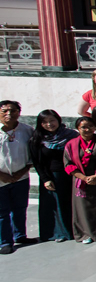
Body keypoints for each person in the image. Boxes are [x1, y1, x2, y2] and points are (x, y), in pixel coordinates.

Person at [63, 116, 96, 243]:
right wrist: (84, 178)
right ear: (77, 128)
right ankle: (85, 234)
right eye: (83, 127)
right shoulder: (71, 145)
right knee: (83, 210)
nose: (87, 129)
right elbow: (68, 164)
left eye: (90, 126)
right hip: (81, 181)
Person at [28, 110, 77, 243]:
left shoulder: (71, 135)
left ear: (58, 120)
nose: (49, 124)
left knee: (71, 203)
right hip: (52, 176)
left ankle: (75, 230)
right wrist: (45, 179)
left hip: (71, 174)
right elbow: (37, 162)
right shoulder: (37, 139)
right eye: (45, 122)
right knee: (54, 206)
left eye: (52, 120)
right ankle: (58, 233)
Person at [0, 101, 34, 253]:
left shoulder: (26, 130)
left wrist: (23, 171)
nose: (9, 114)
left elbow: (33, 153)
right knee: (2, 212)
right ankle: (4, 242)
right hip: (1, 179)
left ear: (19, 112)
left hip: (21, 176)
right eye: (5, 111)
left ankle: (20, 235)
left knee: (20, 207)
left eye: (13, 110)